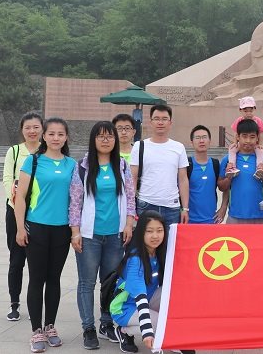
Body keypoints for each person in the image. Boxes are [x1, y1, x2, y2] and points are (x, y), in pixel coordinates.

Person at [69, 121, 136, 349]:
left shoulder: (122, 166)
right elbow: (75, 202)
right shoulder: (83, 166)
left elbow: (130, 198)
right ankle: (88, 328)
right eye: (101, 136)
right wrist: (75, 232)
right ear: (93, 139)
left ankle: (106, 323)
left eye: (110, 136)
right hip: (89, 236)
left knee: (110, 282)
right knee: (87, 283)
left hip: (115, 236)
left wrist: (129, 224)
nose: (106, 140)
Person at [14, 117, 76, 353]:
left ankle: (50, 326)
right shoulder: (33, 161)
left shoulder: (72, 164)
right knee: (37, 279)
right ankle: (36, 330)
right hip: (37, 227)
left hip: (62, 229)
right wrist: (20, 228)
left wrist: (75, 230)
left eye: (60, 134)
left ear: (66, 137)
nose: (56, 138)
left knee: (54, 279)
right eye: (51, 133)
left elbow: (76, 199)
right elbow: (20, 197)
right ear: (44, 136)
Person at [2, 111, 43, 322]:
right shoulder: (15, 151)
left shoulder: (47, 151)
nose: (32, 131)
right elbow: (7, 178)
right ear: (22, 130)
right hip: (15, 209)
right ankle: (14, 303)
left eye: (36, 127)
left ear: (42, 129)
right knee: (16, 260)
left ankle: (34, 304)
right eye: (28, 127)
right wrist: (16, 198)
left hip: (40, 212)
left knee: (37, 262)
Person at [109, 210, 165, 354]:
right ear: (141, 233)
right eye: (150, 231)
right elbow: (140, 296)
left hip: (148, 298)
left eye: (159, 230)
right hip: (125, 307)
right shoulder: (135, 259)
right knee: (160, 323)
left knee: (172, 294)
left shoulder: (160, 252)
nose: (155, 236)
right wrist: (147, 331)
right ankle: (124, 331)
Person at [130, 104, 190, 229]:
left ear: (170, 123)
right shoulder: (139, 146)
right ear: (151, 122)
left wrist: (185, 208)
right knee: (146, 241)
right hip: (146, 204)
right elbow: (133, 178)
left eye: (164, 119)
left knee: (170, 241)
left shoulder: (178, 147)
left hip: (172, 207)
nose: (160, 122)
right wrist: (130, 209)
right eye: (156, 119)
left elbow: (183, 179)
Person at [218, 119, 263, 224]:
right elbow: (222, 187)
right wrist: (229, 177)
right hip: (235, 215)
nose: (248, 141)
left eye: (252, 137)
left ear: (257, 138)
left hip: (260, 215)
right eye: (244, 136)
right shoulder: (228, 160)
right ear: (238, 137)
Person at [187, 125, 229, 224]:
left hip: (211, 220)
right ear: (192, 142)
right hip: (189, 221)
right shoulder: (187, 165)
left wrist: (223, 208)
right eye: (197, 138)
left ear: (209, 141)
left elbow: (226, 187)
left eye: (204, 137)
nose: (201, 141)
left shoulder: (215, 164)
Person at [226, 96, 263, 179]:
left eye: (251, 111)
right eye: (245, 111)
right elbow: (236, 133)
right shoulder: (239, 120)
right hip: (241, 144)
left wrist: (260, 144)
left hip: (254, 144)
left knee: (260, 151)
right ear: (240, 110)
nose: (248, 113)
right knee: (232, 149)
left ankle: (260, 168)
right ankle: (232, 167)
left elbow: (260, 133)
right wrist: (235, 143)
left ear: (254, 109)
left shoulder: (258, 121)